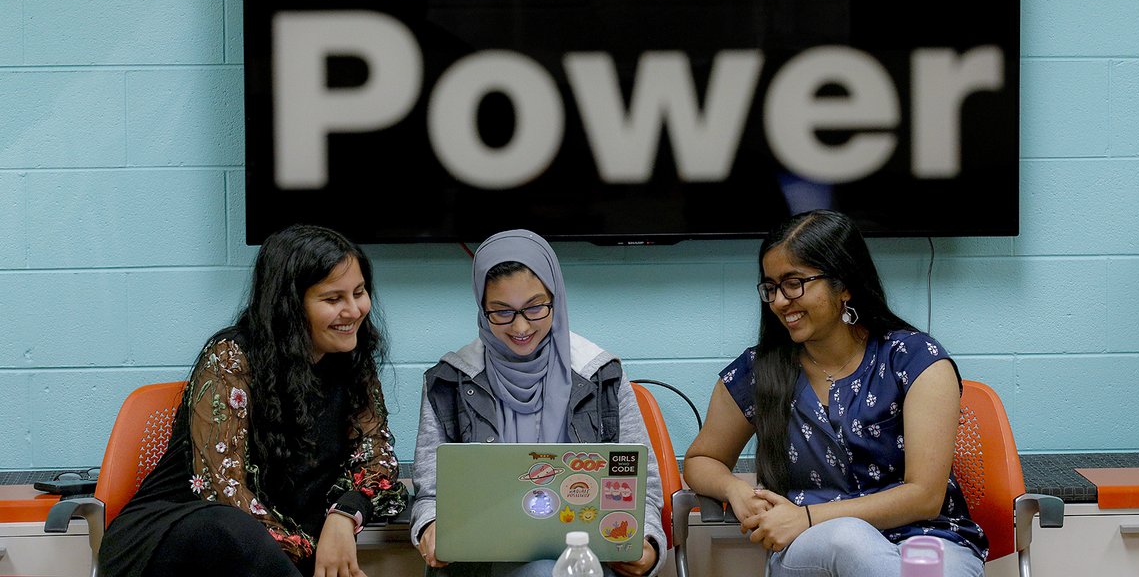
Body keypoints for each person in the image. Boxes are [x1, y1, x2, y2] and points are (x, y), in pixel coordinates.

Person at [682, 210, 987, 577]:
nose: (780, 301)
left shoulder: (915, 359)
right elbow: (702, 460)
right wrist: (735, 489)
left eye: (794, 283)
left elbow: (924, 495)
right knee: (848, 538)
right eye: (771, 287)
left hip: (926, 539)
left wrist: (807, 514)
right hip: (811, 544)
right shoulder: (760, 370)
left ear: (844, 285)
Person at [98, 224, 408, 577]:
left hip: (269, 554)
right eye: (333, 299)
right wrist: (312, 549)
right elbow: (223, 491)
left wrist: (343, 517)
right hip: (174, 538)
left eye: (359, 292)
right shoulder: (231, 358)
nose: (354, 310)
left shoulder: (354, 362)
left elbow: (377, 462)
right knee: (233, 529)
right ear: (290, 306)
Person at [410, 229, 665, 577]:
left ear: (555, 299)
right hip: (480, 567)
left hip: (585, 563)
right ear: (481, 308)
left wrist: (647, 545)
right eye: (501, 312)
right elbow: (430, 496)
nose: (520, 327)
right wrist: (430, 528)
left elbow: (641, 490)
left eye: (534, 308)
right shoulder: (449, 382)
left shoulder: (601, 375)